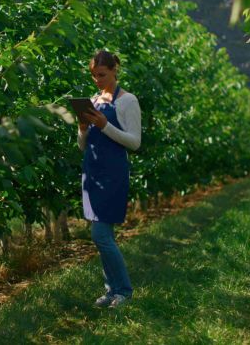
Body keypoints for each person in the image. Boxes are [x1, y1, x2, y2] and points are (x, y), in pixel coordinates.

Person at [77, 50, 142, 308]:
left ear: (115, 70)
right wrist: (82, 130)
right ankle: (111, 290)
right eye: (93, 75)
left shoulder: (128, 101)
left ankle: (124, 290)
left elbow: (134, 142)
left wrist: (105, 125)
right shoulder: (92, 101)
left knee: (100, 235)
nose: (97, 80)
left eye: (102, 75)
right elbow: (83, 146)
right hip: (92, 173)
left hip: (113, 174)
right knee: (102, 236)